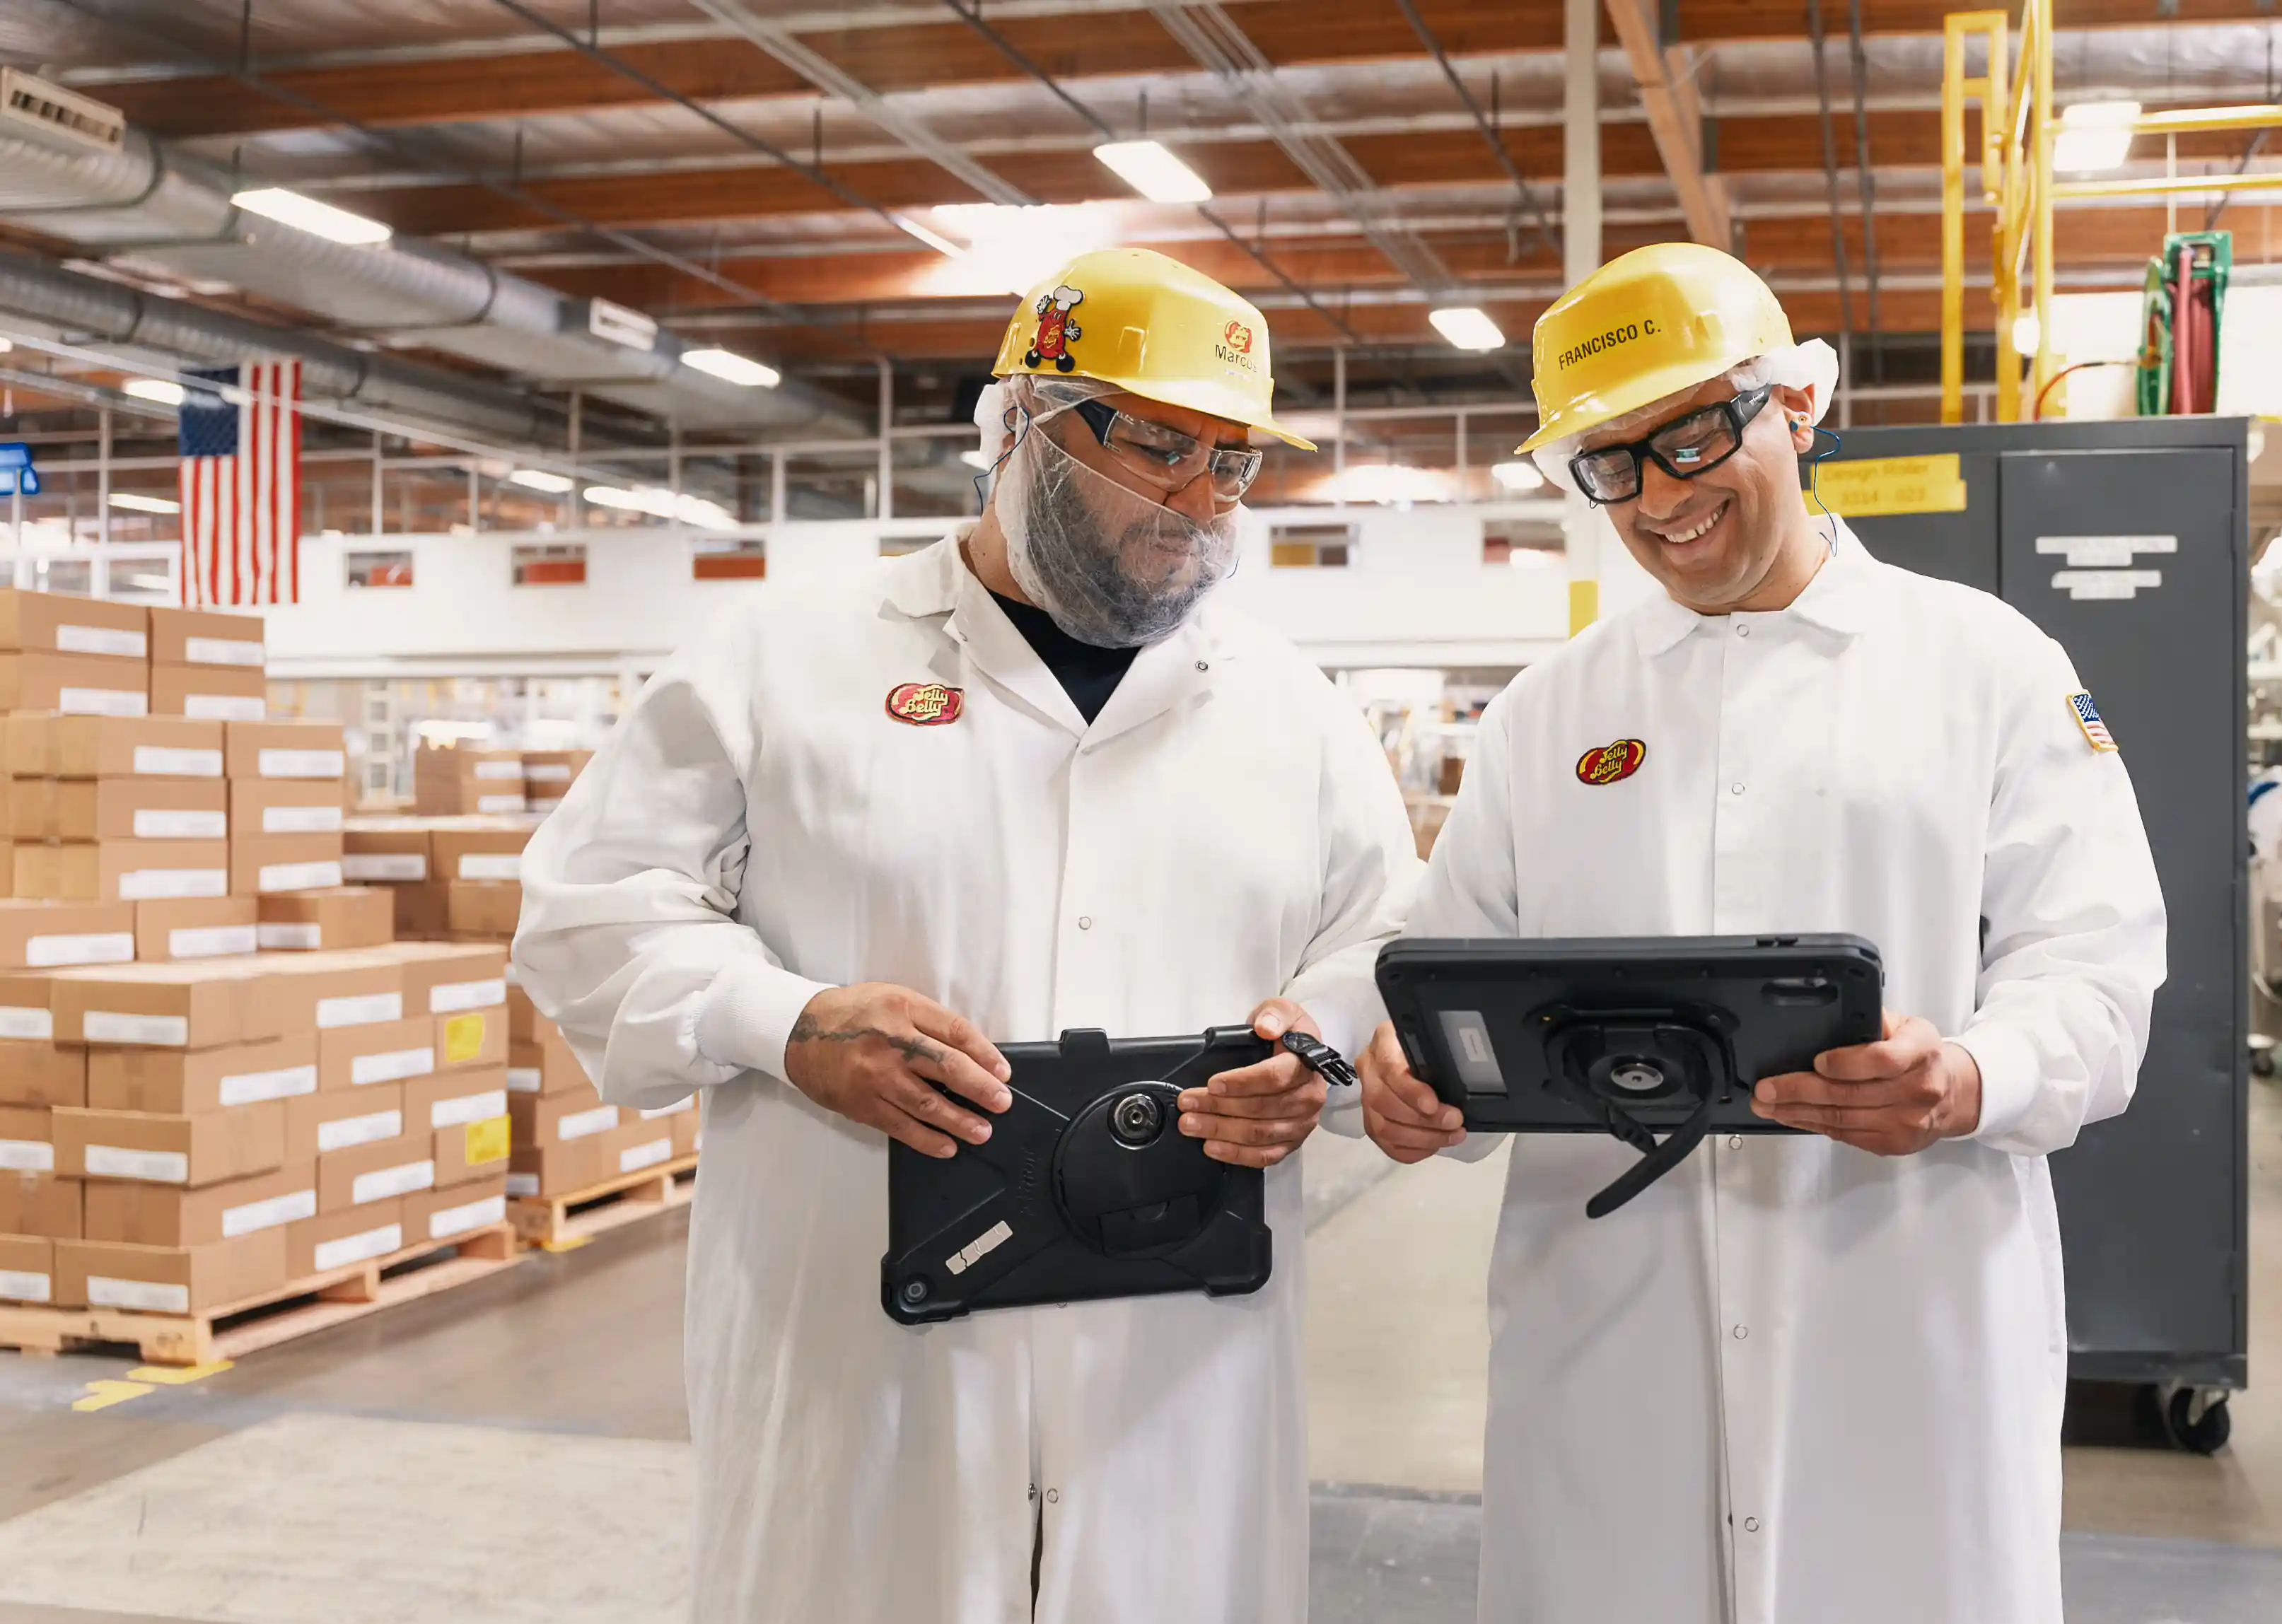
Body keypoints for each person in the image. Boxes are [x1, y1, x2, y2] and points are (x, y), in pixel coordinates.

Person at [513, 247, 1419, 1624]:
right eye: (1158, 447)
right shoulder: (783, 661)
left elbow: (1384, 944)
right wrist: (788, 1024)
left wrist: (1321, 1046)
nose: (1197, 503)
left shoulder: (1294, 713)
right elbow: (588, 911)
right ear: (1021, 428)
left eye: (1232, 464)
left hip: (1177, 1381)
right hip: (872, 1381)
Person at [1351, 242, 2168, 1624]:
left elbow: (2096, 971)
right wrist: (1407, 1077)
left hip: (1898, 1310)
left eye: (1691, 437)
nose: (1661, 498)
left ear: (1797, 405)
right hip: (1607, 1337)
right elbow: (1447, 982)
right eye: (1611, 465)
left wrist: (1967, 1076)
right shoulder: (1550, 715)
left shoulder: (1987, 668)